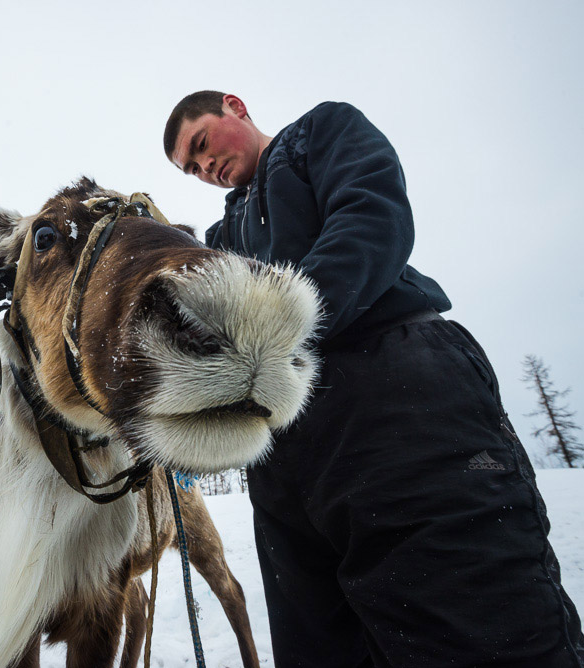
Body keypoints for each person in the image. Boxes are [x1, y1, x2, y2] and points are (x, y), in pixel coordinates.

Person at [164, 92, 584, 667]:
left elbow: (371, 216)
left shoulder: (318, 135)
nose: (203, 169)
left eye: (201, 145)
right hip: (285, 443)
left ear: (234, 107)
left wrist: (277, 321)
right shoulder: (221, 236)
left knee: (472, 624)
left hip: (398, 390)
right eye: (190, 169)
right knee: (319, 642)